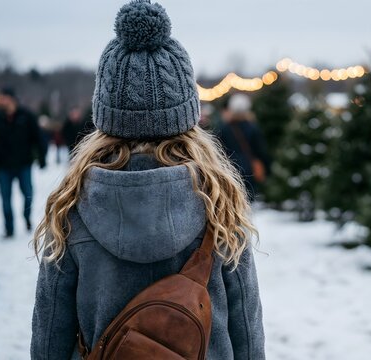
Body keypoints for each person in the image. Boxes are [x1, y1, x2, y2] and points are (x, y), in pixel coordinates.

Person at [30, 1, 265, 359]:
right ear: (187, 115)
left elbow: (50, 334)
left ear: (105, 115)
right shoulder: (218, 204)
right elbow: (246, 329)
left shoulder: (73, 206)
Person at [0, 87, 47, 238]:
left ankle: (26, 217)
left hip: (24, 164)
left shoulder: (27, 116)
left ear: (10, 99)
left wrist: (42, 158)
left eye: (2, 98)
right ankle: (9, 228)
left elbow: (38, 138)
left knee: (28, 193)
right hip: (3, 166)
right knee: (5, 198)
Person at [217, 93, 270, 202]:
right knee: (248, 202)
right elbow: (260, 150)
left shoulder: (224, 128)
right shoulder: (253, 128)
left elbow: (219, 151)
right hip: (249, 169)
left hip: (231, 169)